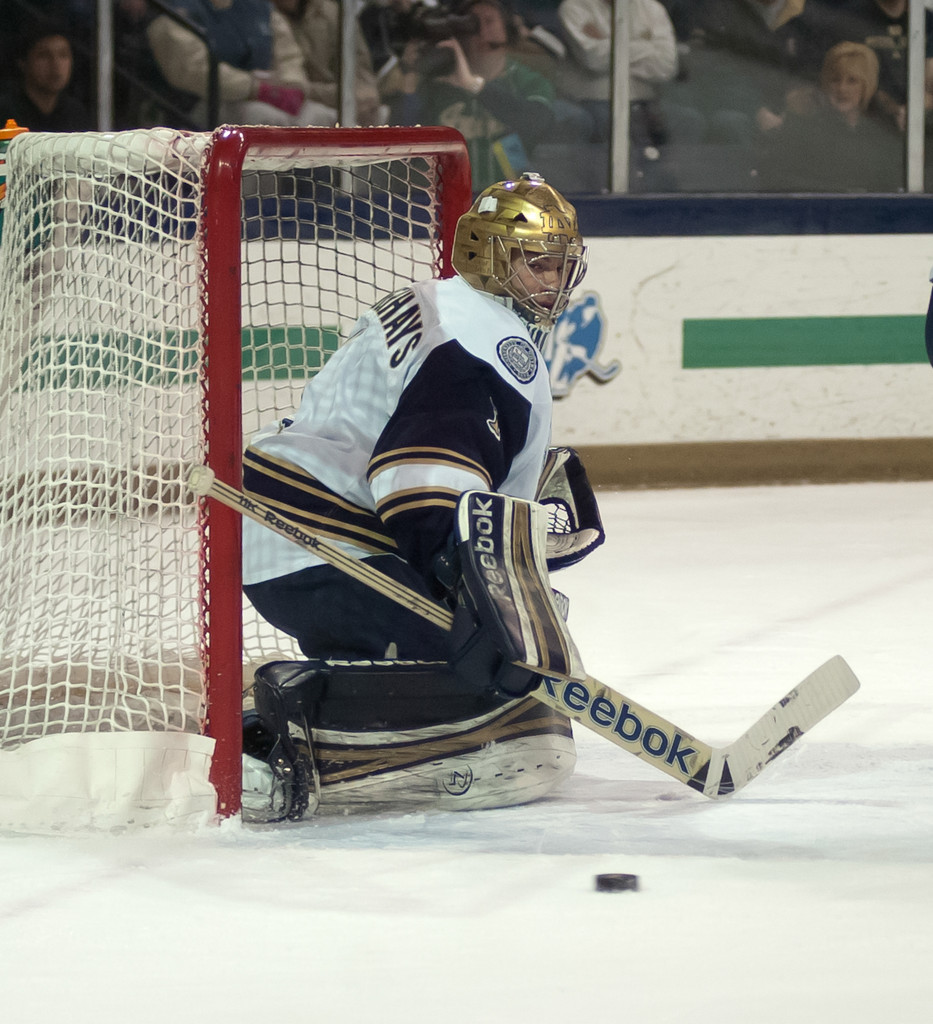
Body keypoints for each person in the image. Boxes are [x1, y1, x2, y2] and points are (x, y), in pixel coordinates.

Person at [238, 173, 598, 821]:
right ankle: (269, 737)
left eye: (561, 267)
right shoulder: (481, 340)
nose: (554, 282)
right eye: (538, 264)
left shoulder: (455, 309)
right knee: (478, 675)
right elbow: (418, 476)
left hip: (305, 521)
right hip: (320, 531)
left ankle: (316, 711)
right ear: (489, 256)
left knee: (489, 667)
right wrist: (477, 584)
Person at [391, 0, 580, 190]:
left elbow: (535, 123)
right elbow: (402, 147)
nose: (480, 31)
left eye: (489, 21)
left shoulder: (528, 81)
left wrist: (475, 86)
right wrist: (410, 73)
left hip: (511, 199)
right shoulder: (439, 85)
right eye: (471, 24)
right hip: (450, 199)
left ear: (507, 29)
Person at [146, 0, 319, 128]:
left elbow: (288, 55)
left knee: (321, 119)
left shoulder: (261, 7)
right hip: (198, 103)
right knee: (266, 122)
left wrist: (293, 85)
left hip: (268, 93)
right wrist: (255, 88)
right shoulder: (174, 8)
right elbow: (193, 69)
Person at [756, 40, 902, 190]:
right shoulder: (804, 124)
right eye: (835, 80)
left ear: (868, 85)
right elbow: (777, 178)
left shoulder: (882, 130)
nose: (842, 89)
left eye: (852, 81)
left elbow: (892, 184)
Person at [270, 0, 387, 125]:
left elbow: (362, 85)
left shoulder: (334, 14)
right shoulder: (263, 15)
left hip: (334, 102)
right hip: (286, 105)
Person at [0, 18, 94, 132]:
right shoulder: (5, 111)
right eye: (43, 55)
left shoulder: (75, 113)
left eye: (63, 55)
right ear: (23, 62)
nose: (56, 64)